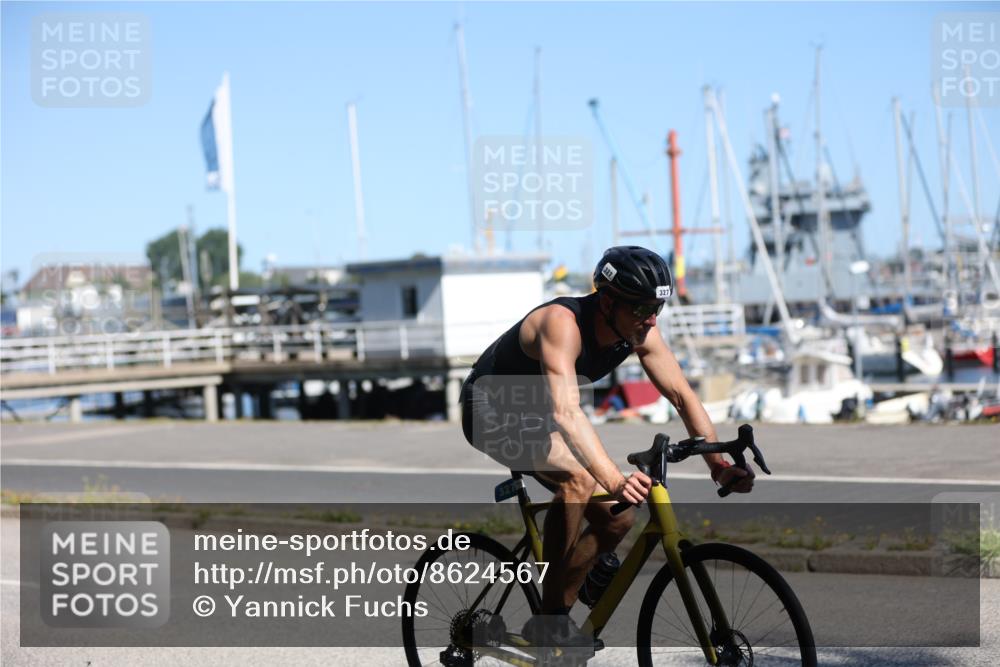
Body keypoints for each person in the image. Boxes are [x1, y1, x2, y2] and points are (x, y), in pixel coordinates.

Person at [460, 245, 754, 649]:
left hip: (539, 415)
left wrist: (717, 465)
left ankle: (560, 611)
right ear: (608, 302)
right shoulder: (561, 324)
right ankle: (548, 622)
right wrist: (615, 480)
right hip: (491, 410)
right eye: (641, 308)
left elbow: (682, 395)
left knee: (618, 518)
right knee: (579, 481)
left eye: (657, 308)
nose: (651, 319)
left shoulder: (639, 330)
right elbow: (567, 413)